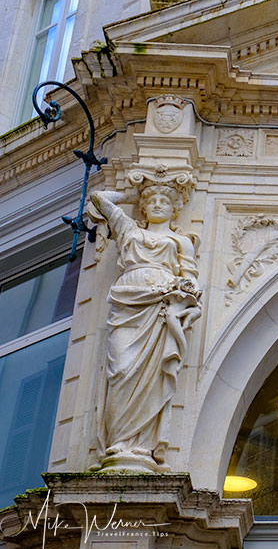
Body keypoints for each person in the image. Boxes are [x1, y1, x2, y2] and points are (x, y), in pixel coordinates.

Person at [88, 183, 201, 471]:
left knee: (149, 376)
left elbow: (192, 282)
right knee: (122, 371)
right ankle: (119, 441)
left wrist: (186, 299)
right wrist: (132, 193)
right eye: (152, 200)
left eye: (166, 200)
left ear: (175, 208)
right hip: (127, 301)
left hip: (160, 305)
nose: (158, 204)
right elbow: (100, 198)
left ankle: (138, 447)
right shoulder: (129, 230)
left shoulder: (181, 242)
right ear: (144, 206)